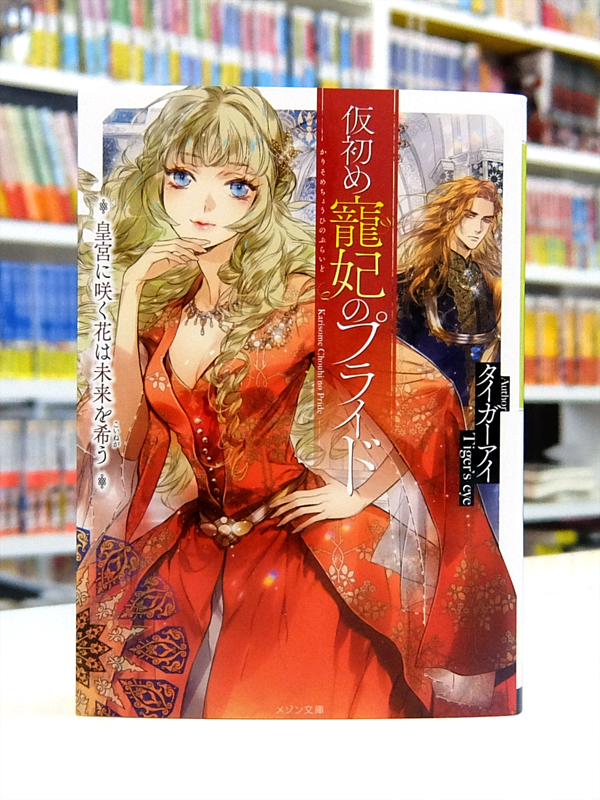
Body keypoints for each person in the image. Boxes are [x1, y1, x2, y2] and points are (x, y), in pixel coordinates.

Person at [77, 87, 516, 720]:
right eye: (182, 177)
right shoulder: (164, 313)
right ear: (158, 182)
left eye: (236, 185)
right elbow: (118, 432)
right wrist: (129, 293)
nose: (204, 205)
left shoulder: (302, 297)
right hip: (197, 543)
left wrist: (359, 492)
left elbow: (425, 397)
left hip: (292, 541)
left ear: (265, 196)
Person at [397, 177, 502, 411]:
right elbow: (398, 347)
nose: (478, 228)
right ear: (451, 215)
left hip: (479, 401)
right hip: (427, 403)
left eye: (486, 220)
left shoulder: (488, 281)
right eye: (470, 216)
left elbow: (493, 346)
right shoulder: (417, 279)